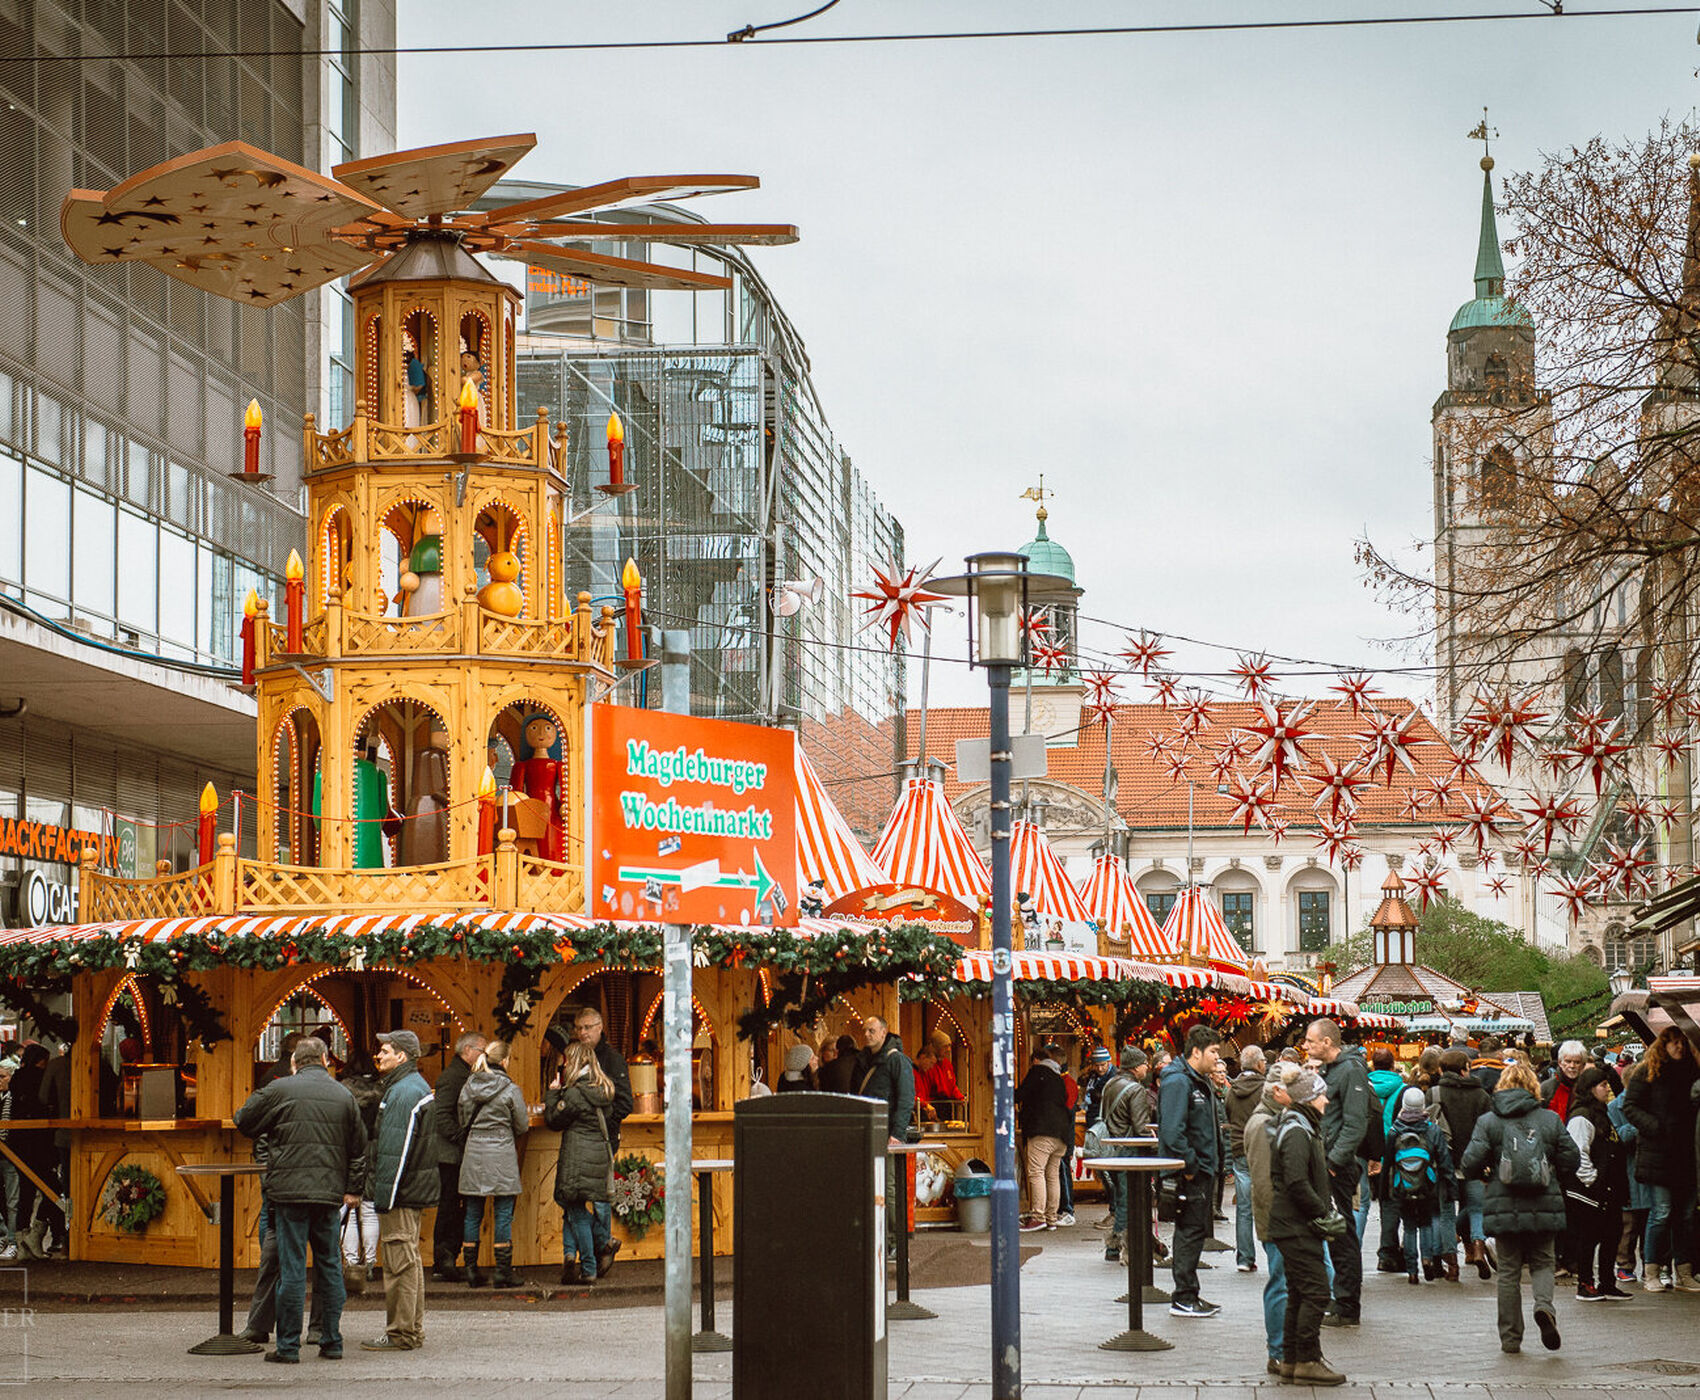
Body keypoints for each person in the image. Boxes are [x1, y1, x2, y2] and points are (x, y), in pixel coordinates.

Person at [233, 1037, 366, 1363]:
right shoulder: (344, 1095)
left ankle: (288, 1346)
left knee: (291, 1269)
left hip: (289, 1193)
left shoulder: (279, 1090)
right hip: (328, 1194)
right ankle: (331, 1340)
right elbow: (359, 1149)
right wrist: (353, 1189)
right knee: (330, 1265)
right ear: (324, 1059)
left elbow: (243, 1120)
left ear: (294, 1062)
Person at [1458, 1058, 1580, 1355]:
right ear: (1533, 1088)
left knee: (1509, 1272)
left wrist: (1487, 1172)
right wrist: (1550, 1170)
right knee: (1542, 1263)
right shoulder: (1549, 1119)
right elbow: (1572, 1159)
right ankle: (1543, 1307)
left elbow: (1469, 1163)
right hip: (1544, 1201)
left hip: (1504, 1202)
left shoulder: (1489, 1121)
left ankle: (1511, 1339)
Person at [1266, 1066, 1345, 1387]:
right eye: (1321, 1095)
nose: (1326, 1101)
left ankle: (1292, 1359)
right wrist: (1322, 1212)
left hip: (1291, 1224)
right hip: (1297, 1225)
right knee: (1316, 1291)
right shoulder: (1298, 1131)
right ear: (1308, 1098)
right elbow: (1297, 1181)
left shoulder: (1298, 1125)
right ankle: (1308, 1359)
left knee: (1299, 1292)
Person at [360, 1030, 437, 1353]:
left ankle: (402, 1333)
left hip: (400, 1194)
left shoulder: (403, 1093)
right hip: (410, 1190)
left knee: (399, 1262)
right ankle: (410, 1329)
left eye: (385, 1050)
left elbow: (396, 1150)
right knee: (408, 1259)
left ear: (402, 1056)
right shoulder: (412, 1087)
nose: (379, 1055)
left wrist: (384, 1199)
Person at [1619, 1027, 1699, 1292]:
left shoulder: (1691, 1071)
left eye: (1682, 1043)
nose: (1679, 1048)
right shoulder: (1647, 1071)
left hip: (1685, 1153)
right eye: (1674, 1043)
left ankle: (1684, 1272)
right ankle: (1651, 1271)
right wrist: (1654, 1126)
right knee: (1661, 1212)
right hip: (1659, 1153)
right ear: (1663, 1045)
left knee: (1685, 1215)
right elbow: (1630, 1106)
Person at [1303, 1018, 1369, 1326]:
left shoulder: (1351, 1070)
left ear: (1327, 1043)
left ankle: (1347, 1303)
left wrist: (1332, 1162)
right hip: (1326, 1161)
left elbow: (1355, 1123)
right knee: (1332, 1231)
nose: (1305, 1046)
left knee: (1341, 1233)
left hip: (1336, 1167)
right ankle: (1338, 1296)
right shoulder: (1330, 1070)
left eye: (1310, 1041)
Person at [1159, 1025, 1223, 1318]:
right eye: (1213, 1052)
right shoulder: (1179, 1082)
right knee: (1188, 1232)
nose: (1217, 1058)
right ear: (1195, 1052)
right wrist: (1190, 1165)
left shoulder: (1197, 1081)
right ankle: (1183, 1297)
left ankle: (1189, 1294)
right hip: (1191, 1172)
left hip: (1201, 1169)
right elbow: (1173, 1132)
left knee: (1194, 1232)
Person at [457, 1039, 530, 1289]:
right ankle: (502, 1272)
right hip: (502, 1155)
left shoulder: (469, 1085)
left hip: (474, 1153)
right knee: (502, 1214)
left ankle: (471, 1270)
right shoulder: (510, 1090)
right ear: (505, 1061)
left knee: (472, 1214)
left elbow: (462, 1118)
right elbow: (522, 1125)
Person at [546, 1040, 616, 1286]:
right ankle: (584, 1249)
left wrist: (554, 1093)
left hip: (577, 1158)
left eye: (566, 1062)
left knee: (573, 1207)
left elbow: (554, 1120)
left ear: (574, 1063)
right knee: (573, 1209)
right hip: (597, 1156)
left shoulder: (575, 1093)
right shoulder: (604, 1088)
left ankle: (588, 1268)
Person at [575, 1006, 633, 1280]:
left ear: (600, 1027)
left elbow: (625, 1102)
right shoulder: (576, 1058)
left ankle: (601, 1250)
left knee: (599, 1199)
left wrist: (603, 1123)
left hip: (605, 1138)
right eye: (579, 1028)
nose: (583, 1033)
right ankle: (602, 1244)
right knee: (574, 1199)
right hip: (582, 1139)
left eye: (588, 1027)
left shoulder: (613, 1060)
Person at [1563, 1064, 1631, 1300]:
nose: (1608, 1090)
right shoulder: (1582, 1117)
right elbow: (1577, 1151)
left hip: (1607, 1190)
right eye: (1603, 1085)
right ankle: (1585, 1283)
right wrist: (1592, 1179)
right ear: (1591, 1088)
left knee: (1612, 1235)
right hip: (1589, 1192)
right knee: (1588, 1238)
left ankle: (1607, 1283)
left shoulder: (1602, 1114)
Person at [1432, 1047, 1493, 1278]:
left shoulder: (1435, 1094)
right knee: (1477, 1208)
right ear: (1466, 1069)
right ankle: (1478, 1247)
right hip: (1475, 1162)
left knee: (1446, 1212)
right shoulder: (1481, 1095)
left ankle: (1452, 1265)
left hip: (1444, 1162)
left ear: (1442, 1069)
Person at [430, 1031, 486, 1282]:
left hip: (455, 1153)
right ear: (467, 1051)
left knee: (454, 1206)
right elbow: (441, 1116)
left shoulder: (459, 1074)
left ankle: (447, 1257)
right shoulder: (454, 1078)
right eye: (481, 1050)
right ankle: (444, 1258)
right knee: (450, 1207)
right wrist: (462, 1138)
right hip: (451, 1154)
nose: (484, 1055)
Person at [1384, 1086, 1452, 1284]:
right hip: (1428, 1182)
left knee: (1409, 1226)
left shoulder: (1394, 1130)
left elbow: (1388, 1162)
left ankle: (1412, 1271)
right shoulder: (1432, 1129)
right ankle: (1427, 1259)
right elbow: (1443, 1159)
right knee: (1426, 1222)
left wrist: (1384, 1190)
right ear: (1423, 1105)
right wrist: (1449, 1184)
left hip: (1402, 1184)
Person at [1099, 1044, 1152, 1262]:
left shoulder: (1110, 1083)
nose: (1147, 1068)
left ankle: (1113, 1246)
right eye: (1144, 1064)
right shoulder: (1136, 1090)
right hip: (1128, 1151)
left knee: (1121, 1198)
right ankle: (1119, 1247)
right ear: (1135, 1067)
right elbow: (1141, 1128)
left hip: (1110, 1149)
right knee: (1128, 1200)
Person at [1015, 1045, 1072, 1231]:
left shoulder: (1037, 1072)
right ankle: (1051, 1218)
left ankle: (1038, 1216)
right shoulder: (1058, 1077)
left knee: (1036, 1172)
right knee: (1052, 1174)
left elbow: (1020, 1095)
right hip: (1061, 1133)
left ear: (1036, 1061)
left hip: (1042, 1129)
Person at [1225, 1044, 1267, 1273]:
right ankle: (1275, 1254)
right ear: (1260, 1064)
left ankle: (1244, 1257)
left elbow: (1229, 1113)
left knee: (1244, 1207)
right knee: (1270, 1202)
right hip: (1261, 1149)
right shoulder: (1266, 1088)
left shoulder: (1232, 1090)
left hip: (1239, 1148)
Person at [1364, 1047, 1405, 1273]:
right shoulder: (1403, 1089)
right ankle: (1390, 1252)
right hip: (1393, 1152)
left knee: (1365, 1203)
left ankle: (1381, 1253)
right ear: (1393, 1065)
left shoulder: (1362, 1088)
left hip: (1366, 1151)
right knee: (1391, 1203)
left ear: (1372, 1065)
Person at [855, 1015, 916, 1147]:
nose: (866, 1034)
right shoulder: (861, 1061)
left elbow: (906, 1098)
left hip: (888, 1134)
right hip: (865, 1132)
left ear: (883, 1032)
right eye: (864, 1030)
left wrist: (897, 1134)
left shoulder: (897, 1060)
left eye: (871, 1031)